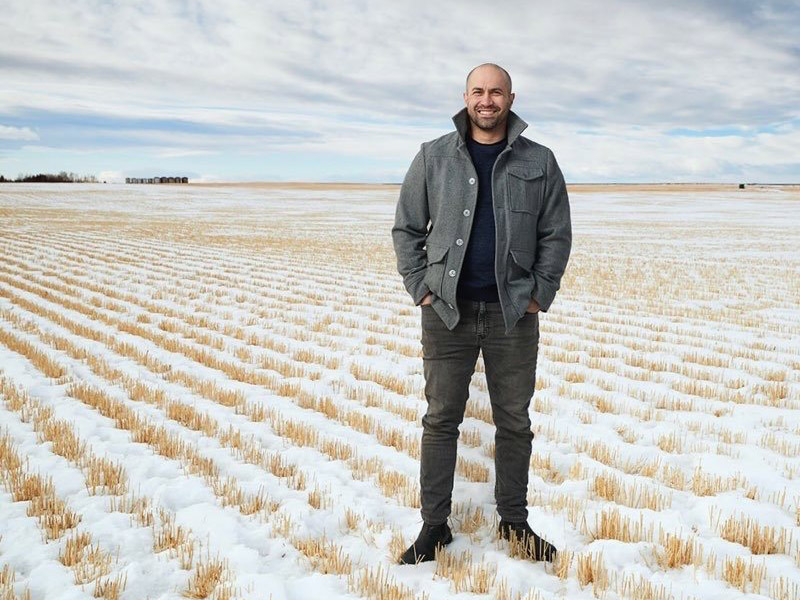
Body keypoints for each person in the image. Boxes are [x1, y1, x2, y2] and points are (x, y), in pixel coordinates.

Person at [392, 63, 571, 564]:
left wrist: (541, 291)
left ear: (511, 98)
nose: (486, 100)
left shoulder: (540, 161)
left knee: (514, 422)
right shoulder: (434, 156)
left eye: (496, 91)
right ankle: (434, 527)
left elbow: (557, 233)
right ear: (465, 96)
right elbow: (406, 228)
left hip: (513, 314)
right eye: (478, 91)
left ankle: (515, 523)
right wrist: (419, 285)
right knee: (440, 420)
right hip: (447, 312)